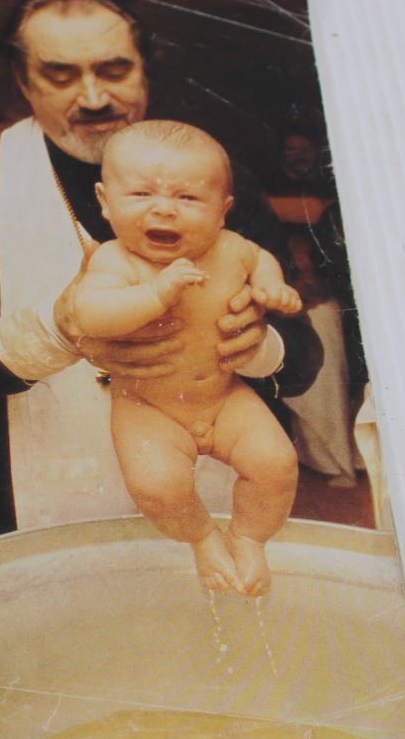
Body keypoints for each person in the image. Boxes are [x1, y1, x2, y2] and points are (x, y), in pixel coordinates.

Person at [0, 0, 321, 547]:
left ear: (144, 70)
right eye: (61, 75)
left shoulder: (215, 176)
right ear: (23, 80)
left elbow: (303, 357)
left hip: (203, 475)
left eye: (114, 71)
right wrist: (55, 332)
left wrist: (258, 342)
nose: (94, 97)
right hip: (17, 499)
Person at [70, 121, 303, 595]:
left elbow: (260, 259)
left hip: (225, 397)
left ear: (222, 210)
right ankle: (201, 538)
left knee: (277, 464)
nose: (164, 209)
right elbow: (90, 312)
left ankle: (249, 538)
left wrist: (270, 285)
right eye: (141, 194)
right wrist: (156, 293)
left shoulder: (233, 248)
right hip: (148, 407)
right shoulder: (114, 260)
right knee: (157, 486)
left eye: (188, 197)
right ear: (105, 201)